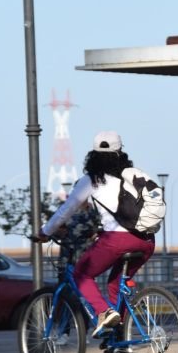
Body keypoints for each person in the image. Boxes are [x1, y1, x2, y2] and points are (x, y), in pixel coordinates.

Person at [35, 131, 156, 339]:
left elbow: (67, 210)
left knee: (81, 274)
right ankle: (119, 338)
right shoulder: (135, 175)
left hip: (117, 240)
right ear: (121, 151)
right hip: (146, 240)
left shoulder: (92, 179)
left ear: (94, 154)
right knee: (115, 285)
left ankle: (104, 312)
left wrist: (46, 232)